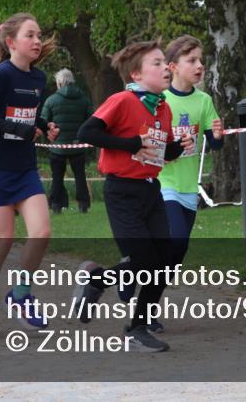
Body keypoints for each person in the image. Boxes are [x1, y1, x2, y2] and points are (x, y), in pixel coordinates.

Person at [71, 40, 193, 352]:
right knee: (144, 261)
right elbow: (87, 133)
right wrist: (130, 144)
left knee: (162, 262)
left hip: (150, 191)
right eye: (157, 63)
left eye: (165, 62)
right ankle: (97, 281)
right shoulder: (122, 100)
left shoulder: (162, 108)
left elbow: (158, 153)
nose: (165, 67)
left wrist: (181, 146)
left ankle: (137, 327)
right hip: (122, 192)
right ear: (137, 74)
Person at [0, 12, 60, 341]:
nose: (37, 41)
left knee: (42, 231)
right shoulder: (0, 76)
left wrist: (42, 127)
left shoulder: (38, 79)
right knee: (3, 239)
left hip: (24, 168)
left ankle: (21, 294)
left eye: (39, 35)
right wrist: (16, 128)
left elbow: (30, 118)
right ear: (11, 43)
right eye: (30, 35)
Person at [159, 35, 224, 268]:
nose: (200, 66)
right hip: (162, 184)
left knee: (175, 255)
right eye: (192, 60)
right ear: (173, 67)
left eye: (201, 60)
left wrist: (217, 137)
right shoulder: (159, 100)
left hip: (189, 187)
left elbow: (214, 145)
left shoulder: (204, 100)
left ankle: (109, 276)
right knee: (176, 240)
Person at [40, 68, 94, 213]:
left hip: (57, 146)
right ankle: (83, 205)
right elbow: (92, 119)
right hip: (78, 145)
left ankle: (56, 206)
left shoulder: (51, 100)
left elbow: (43, 121)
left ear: (59, 82)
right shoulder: (83, 99)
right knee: (80, 176)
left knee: (57, 177)